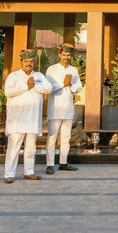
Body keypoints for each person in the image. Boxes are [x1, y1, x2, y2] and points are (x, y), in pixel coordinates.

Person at [3, 49, 53, 183]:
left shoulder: (39, 76)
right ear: (21, 62)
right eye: (26, 61)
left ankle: (29, 172)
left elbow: (48, 88)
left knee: (31, 148)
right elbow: (8, 92)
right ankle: (9, 174)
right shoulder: (13, 76)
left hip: (32, 119)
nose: (29, 64)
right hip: (17, 120)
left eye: (31, 62)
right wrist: (26, 86)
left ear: (34, 62)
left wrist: (34, 85)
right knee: (14, 147)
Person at [45, 42, 83, 174]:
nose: (66, 57)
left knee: (66, 137)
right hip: (55, 108)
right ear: (59, 54)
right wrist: (63, 83)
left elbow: (79, 86)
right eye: (64, 54)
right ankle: (50, 164)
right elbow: (48, 88)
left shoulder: (74, 70)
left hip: (68, 108)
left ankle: (63, 162)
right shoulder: (52, 70)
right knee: (52, 137)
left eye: (68, 55)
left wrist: (71, 84)